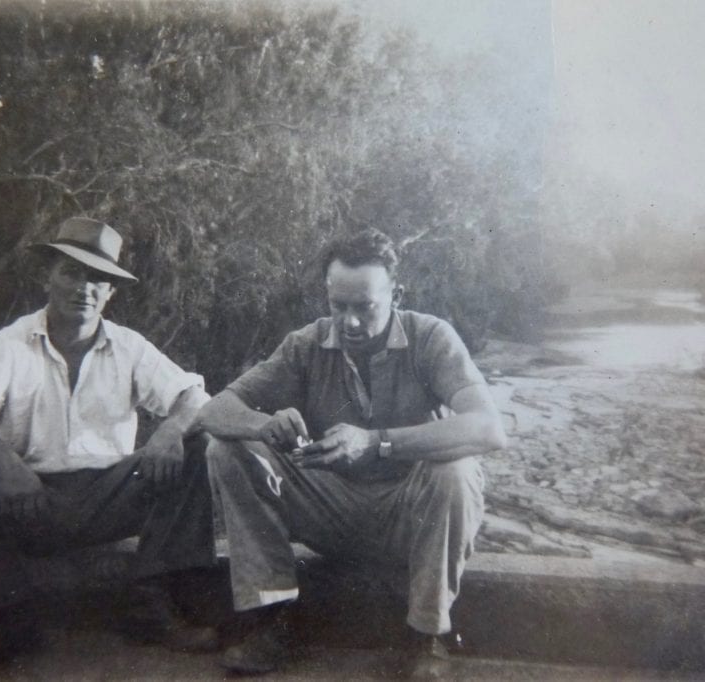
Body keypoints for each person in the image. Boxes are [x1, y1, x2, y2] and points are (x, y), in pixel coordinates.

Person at [199, 228, 507, 677]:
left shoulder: (431, 337)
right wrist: (264, 425)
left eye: (365, 307)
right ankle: (273, 619)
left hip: (409, 514)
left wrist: (376, 441)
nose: (351, 324)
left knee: (456, 471)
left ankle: (427, 635)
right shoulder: (306, 344)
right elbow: (215, 410)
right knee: (228, 451)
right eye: (337, 307)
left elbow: (489, 429)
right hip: (332, 510)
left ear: (396, 294)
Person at [0, 217, 218, 674]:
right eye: (72, 272)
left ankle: (153, 604)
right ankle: (3, 622)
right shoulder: (8, 345)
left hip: (109, 497)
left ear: (110, 293)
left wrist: (167, 431)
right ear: (49, 276)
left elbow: (195, 397)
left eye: (99, 279)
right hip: (29, 502)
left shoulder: (129, 347)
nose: (84, 287)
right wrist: (6, 465)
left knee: (196, 446)